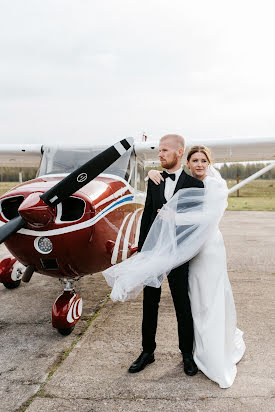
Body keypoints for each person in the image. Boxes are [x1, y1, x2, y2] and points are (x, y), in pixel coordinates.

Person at [104, 134, 204, 376]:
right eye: (159, 150)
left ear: (180, 153)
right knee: (150, 304)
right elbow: (147, 215)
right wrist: (142, 250)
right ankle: (147, 352)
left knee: (183, 305)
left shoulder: (196, 185)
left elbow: (196, 224)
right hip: (154, 253)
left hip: (179, 254)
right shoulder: (154, 180)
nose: (160, 154)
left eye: (165, 150)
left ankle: (187, 355)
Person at [146, 145, 246, 388]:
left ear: (208, 163)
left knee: (210, 297)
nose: (200, 164)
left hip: (208, 249)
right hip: (189, 249)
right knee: (195, 300)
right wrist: (150, 172)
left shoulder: (215, 185)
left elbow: (208, 217)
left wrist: (175, 218)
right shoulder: (189, 182)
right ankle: (195, 350)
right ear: (188, 163)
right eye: (195, 160)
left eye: (204, 160)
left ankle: (212, 353)